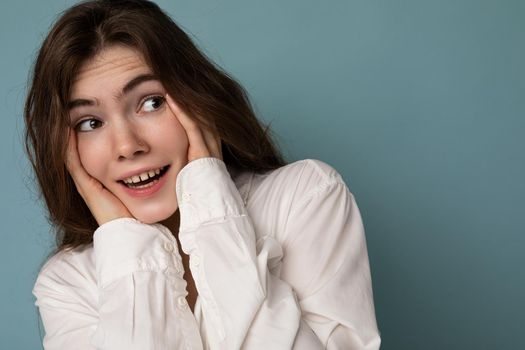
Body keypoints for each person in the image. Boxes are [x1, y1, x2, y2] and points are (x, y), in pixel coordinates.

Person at [25, 0, 381, 349]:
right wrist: (129, 254)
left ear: (195, 98)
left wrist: (214, 210)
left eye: (151, 102)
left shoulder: (305, 198)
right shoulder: (67, 284)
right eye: (90, 123)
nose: (127, 145)